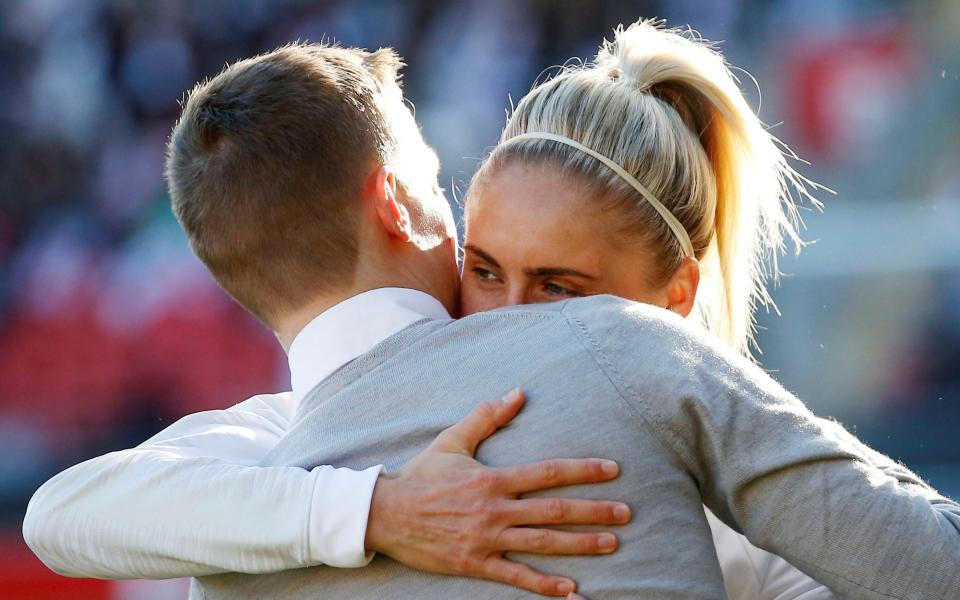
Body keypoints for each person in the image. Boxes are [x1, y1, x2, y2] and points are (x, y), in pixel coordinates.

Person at [25, 22, 960, 600]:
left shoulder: (260, 473)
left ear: (674, 297)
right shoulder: (272, 453)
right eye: (483, 266)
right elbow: (63, 516)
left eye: (560, 290)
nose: (509, 317)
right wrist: (381, 510)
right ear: (402, 202)